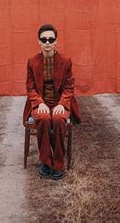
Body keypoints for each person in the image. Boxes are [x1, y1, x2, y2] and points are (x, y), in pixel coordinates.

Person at [22, 24, 82, 180]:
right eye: (44, 39)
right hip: (41, 101)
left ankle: (59, 163)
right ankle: (46, 162)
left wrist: (62, 105)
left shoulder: (65, 61)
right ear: (39, 42)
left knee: (59, 119)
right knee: (43, 118)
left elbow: (69, 88)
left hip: (59, 102)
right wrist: (39, 103)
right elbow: (30, 88)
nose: (47, 42)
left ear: (56, 42)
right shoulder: (32, 62)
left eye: (51, 39)